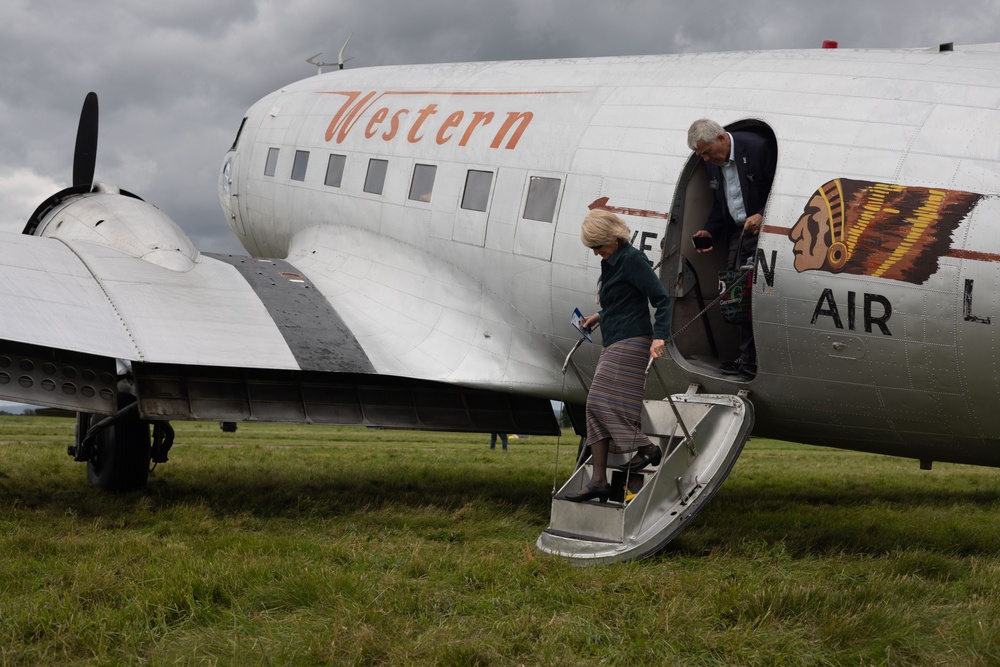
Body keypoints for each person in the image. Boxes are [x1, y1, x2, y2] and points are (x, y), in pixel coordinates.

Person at [566, 209, 673, 503]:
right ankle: (599, 481)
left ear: (611, 239)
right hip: (614, 339)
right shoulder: (612, 262)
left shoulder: (631, 259)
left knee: (598, 401)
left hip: (632, 340)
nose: (596, 253)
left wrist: (661, 336)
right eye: (593, 248)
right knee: (593, 410)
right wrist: (598, 317)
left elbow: (661, 299)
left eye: (598, 246)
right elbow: (624, 299)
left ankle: (647, 448)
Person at [688, 118, 775, 378]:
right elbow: (721, 201)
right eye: (700, 155)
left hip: (765, 230)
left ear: (722, 139)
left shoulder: (759, 148)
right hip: (739, 232)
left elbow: (779, 189)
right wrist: (710, 231)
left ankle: (755, 359)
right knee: (734, 294)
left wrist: (762, 215)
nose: (705, 159)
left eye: (706, 152)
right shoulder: (714, 163)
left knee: (753, 294)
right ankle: (745, 357)